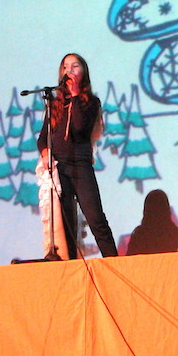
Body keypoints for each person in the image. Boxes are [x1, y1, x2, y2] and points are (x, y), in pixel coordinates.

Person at [37, 53, 118, 259]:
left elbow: (80, 128)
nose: (70, 71)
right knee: (66, 225)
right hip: (60, 167)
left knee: (95, 218)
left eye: (75, 66)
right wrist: (45, 153)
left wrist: (74, 96)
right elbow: (42, 138)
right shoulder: (54, 104)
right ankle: (72, 265)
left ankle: (113, 261)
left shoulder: (90, 102)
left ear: (83, 72)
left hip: (80, 166)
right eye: (66, 67)